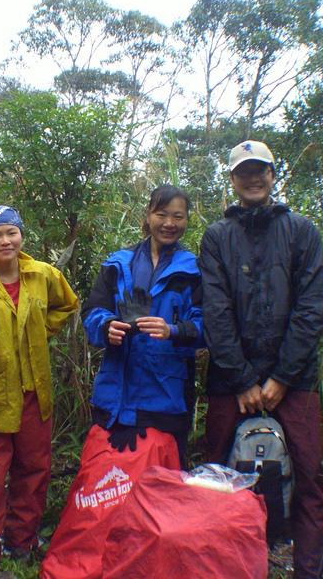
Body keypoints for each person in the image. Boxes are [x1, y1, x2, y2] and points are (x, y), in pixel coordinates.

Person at [199, 140, 323, 578]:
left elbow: (312, 307)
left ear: (273, 175)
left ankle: (309, 571)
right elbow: (215, 310)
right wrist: (242, 379)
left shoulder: (302, 231)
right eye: (244, 171)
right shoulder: (217, 237)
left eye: (260, 170)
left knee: (309, 478)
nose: (253, 178)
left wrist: (282, 378)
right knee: (218, 477)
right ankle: (225, 567)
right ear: (233, 180)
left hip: (295, 381)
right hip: (229, 381)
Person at [0, 205, 78, 573]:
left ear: (21, 235)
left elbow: (67, 304)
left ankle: (21, 543)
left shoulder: (42, 274)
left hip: (34, 393)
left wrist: (42, 331)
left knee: (34, 471)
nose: (5, 241)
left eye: (12, 232)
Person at [82, 184, 203, 461]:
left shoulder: (194, 271)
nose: (169, 223)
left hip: (166, 397)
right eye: (162, 214)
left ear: (187, 220)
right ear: (148, 215)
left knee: (162, 478)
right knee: (110, 476)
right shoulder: (118, 264)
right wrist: (107, 326)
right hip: (114, 394)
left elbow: (208, 324)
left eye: (178, 216)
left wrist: (173, 330)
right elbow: (92, 312)